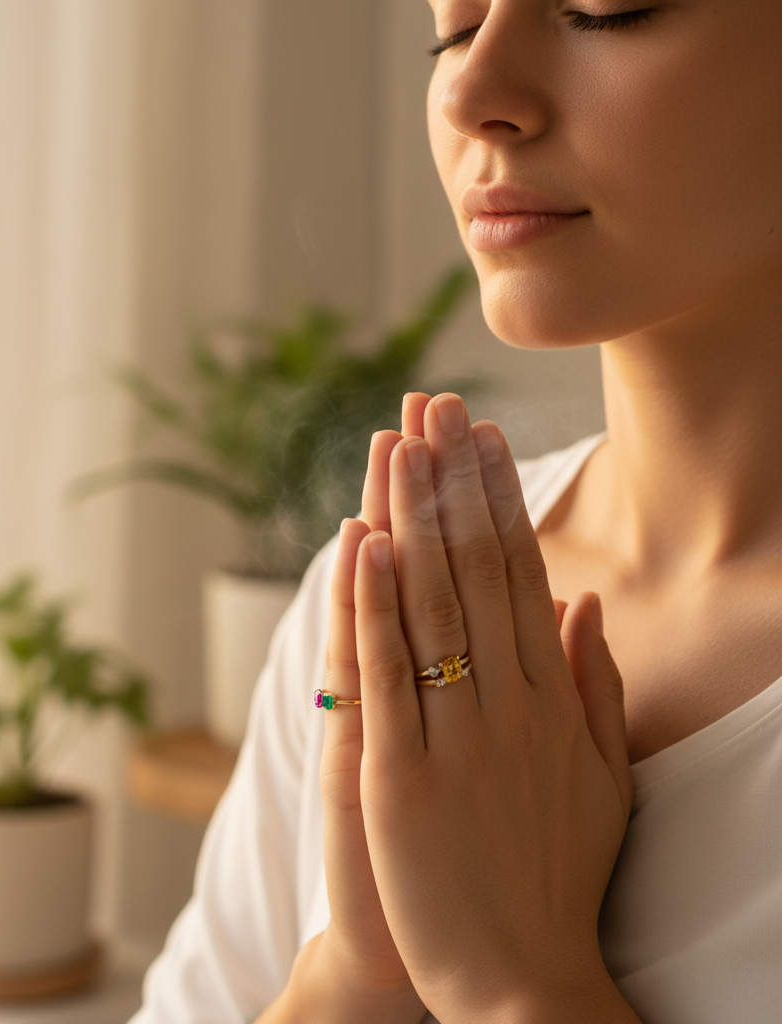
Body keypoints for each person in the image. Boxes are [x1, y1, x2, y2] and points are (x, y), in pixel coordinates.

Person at [129, 0, 782, 1020]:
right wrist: (355, 975)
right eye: (455, 23)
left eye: (601, 9)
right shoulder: (385, 601)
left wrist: (518, 986)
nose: (470, 91)